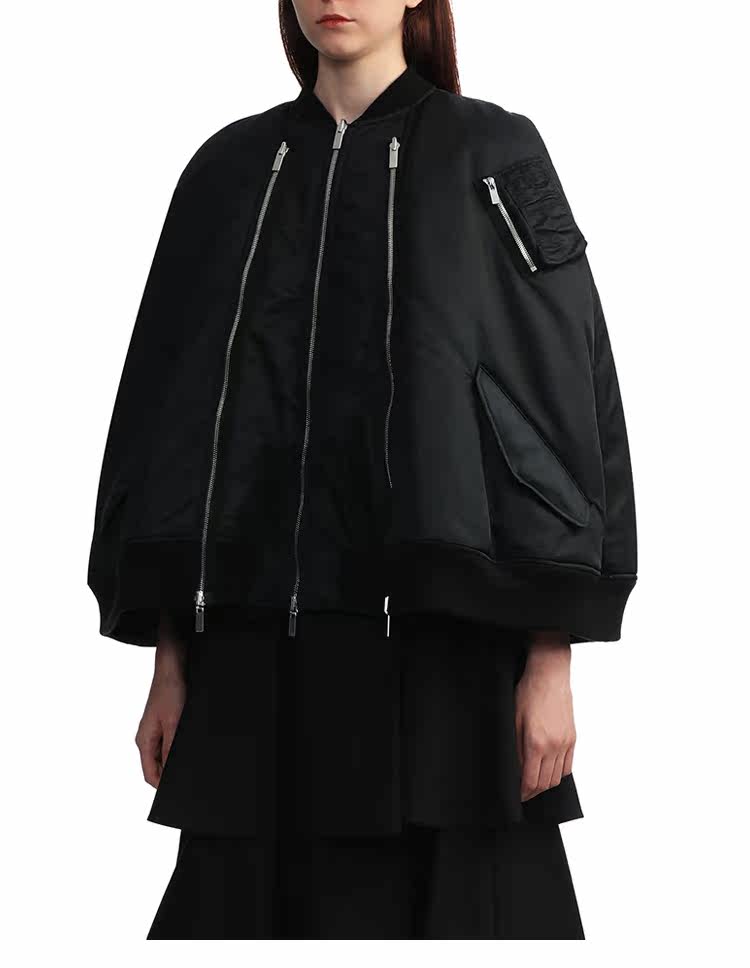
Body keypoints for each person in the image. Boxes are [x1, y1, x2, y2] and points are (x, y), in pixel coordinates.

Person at [87, 0, 637, 940]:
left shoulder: (493, 154)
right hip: (255, 658)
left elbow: (566, 395)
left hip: (445, 655)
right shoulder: (227, 169)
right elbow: (162, 416)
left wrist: (552, 659)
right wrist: (170, 660)